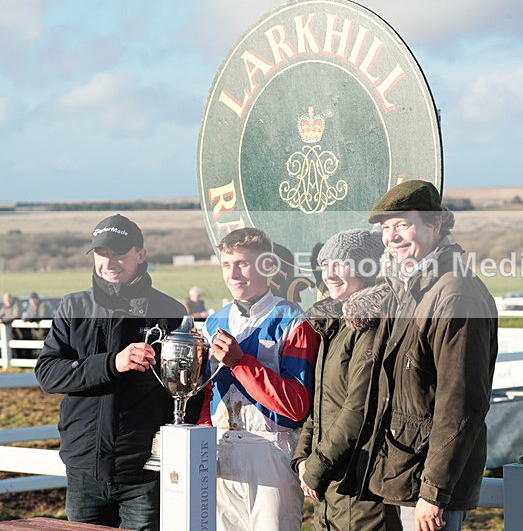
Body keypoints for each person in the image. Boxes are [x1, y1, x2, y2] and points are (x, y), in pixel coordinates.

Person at [348, 180, 499, 531]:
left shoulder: (456, 295)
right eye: (386, 228)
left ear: (434, 224)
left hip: (425, 485)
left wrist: (434, 492)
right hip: (400, 471)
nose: (392, 237)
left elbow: (460, 402)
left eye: (403, 224)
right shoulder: (409, 288)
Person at [35, 214, 188, 531]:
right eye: (102, 253)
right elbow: (48, 374)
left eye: (119, 252)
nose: (109, 261)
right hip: (84, 467)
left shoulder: (171, 312)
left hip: (144, 471)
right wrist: (111, 364)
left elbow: (183, 389)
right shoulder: (73, 307)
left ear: (141, 254)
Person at [198, 227, 321, 531]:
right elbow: (205, 394)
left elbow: (296, 406)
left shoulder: (293, 321)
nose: (233, 274)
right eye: (226, 264)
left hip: (271, 450)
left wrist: (241, 363)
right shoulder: (213, 322)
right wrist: (203, 442)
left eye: (242, 264)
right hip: (221, 448)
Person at [292, 228, 401, 530]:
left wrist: (316, 466)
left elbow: (358, 409)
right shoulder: (334, 327)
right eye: (325, 264)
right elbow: (321, 406)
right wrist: (302, 458)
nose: (329, 274)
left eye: (340, 264)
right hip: (331, 484)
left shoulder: (369, 327)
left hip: (358, 485)